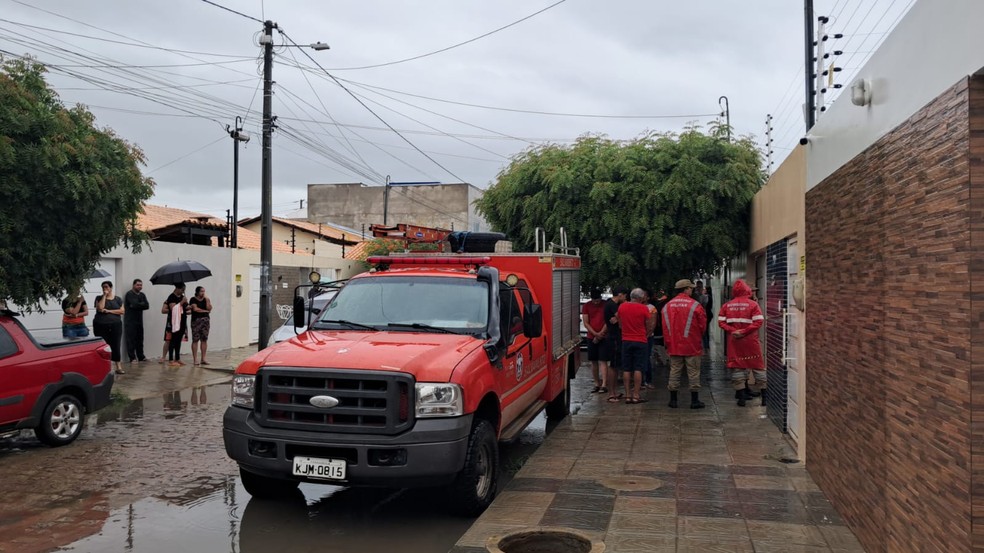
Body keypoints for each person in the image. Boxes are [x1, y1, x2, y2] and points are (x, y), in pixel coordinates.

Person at [717, 279, 766, 407]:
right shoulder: (753, 305)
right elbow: (759, 322)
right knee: (758, 366)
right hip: (751, 341)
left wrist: (734, 331)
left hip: (734, 341)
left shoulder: (726, 305)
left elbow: (721, 322)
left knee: (738, 367)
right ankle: (765, 398)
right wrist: (744, 331)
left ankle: (741, 398)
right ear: (747, 291)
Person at [662, 279, 707, 409]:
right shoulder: (695, 305)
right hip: (691, 344)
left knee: (674, 371)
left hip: (673, 344)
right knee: (693, 372)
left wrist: (668, 341)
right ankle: (694, 401)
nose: (692, 290)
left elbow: (665, 327)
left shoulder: (667, 306)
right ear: (686, 289)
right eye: (691, 288)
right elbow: (702, 325)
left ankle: (673, 400)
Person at [617, 288, 656, 404]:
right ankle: (636, 395)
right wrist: (645, 333)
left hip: (626, 340)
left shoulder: (622, 306)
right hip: (640, 341)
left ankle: (628, 395)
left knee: (627, 368)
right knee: (639, 368)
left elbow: (620, 324)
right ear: (640, 298)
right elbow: (649, 325)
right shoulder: (644, 308)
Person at [93, 281, 125, 375]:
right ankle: (104, 366)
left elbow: (122, 311)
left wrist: (108, 311)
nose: (104, 288)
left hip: (115, 325)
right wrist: (104, 296)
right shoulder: (99, 298)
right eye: (103, 287)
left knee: (116, 345)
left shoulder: (118, 299)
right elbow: (100, 308)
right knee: (103, 346)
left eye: (106, 287)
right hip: (101, 325)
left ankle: (118, 367)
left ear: (111, 288)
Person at [581, 288, 609, 393]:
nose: (596, 302)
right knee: (593, 361)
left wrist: (600, 334)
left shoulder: (605, 305)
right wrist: (595, 334)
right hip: (591, 336)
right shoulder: (587, 306)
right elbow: (586, 322)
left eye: (598, 300)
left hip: (604, 336)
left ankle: (604, 384)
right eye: (594, 300)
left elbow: (608, 320)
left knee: (603, 360)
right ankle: (596, 383)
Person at [604, 287, 628, 403]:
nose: (625, 298)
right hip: (613, 338)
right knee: (613, 365)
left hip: (617, 337)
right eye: (624, 295)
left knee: (616, 365)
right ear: (620, 294)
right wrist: (619, 319)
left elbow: (619, 318)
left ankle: (615, 391)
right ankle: (611, 393)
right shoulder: (612, 305)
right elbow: (622, 317)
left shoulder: (613, 305)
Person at [123, 278, 150, 362]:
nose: (139, 286)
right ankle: (132, 358)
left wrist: (138, 305)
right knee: (131, 340)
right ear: (133, 285)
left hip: (139, 321)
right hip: (130, 321)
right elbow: (134, 304)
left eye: (141, 285)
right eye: (138, 285)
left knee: (140, 339)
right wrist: (139, 304)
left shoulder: (142, 295)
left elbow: (147, 305)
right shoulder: (129, 294)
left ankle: (141, 356)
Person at [164, 283, 189, 367]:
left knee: (179, 340)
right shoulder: (171, 297)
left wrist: (189, 305)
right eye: (182, 290)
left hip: (182, 321)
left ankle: (177, 358)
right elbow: (173, 308)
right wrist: (182, 302)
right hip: (174, 322)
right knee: (173, 340)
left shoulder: (182, 297)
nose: (183, 292)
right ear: (177, 289)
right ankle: (171, 359)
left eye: (184, 290)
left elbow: (186, 308)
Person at [189, 286, 213, 366]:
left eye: (204, 291)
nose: (203, 293)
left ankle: (203, 358)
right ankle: (195, 359)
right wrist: (204, 311)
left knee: (204, 339)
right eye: (201, 291)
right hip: (196, 321)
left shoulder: (206, 299)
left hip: (205, 321)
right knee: (195, 339)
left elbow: (209, 309)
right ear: (197, 292)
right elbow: (195, 309)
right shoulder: (193, 299)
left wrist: (207, 300)